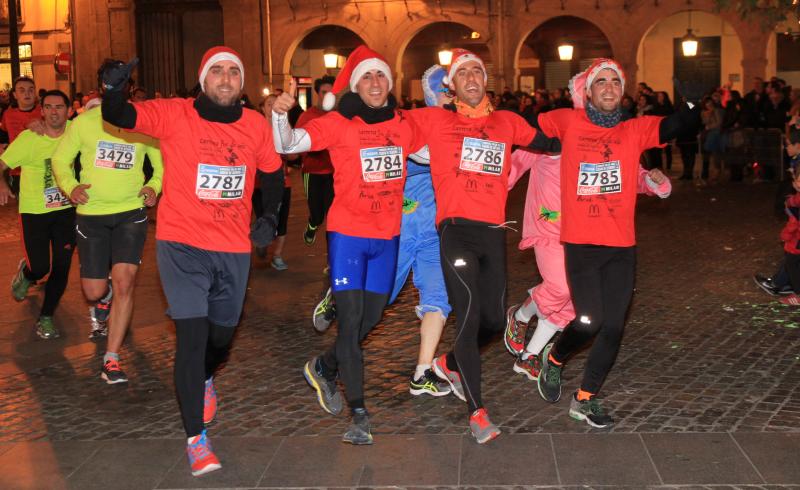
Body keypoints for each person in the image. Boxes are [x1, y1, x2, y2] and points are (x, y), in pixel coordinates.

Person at [100, 47, 284, 476]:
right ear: (204, 79)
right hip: (181, 244)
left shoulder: (254, 125)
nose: (226, 78)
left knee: (221, 338)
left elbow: (274, 173)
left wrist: (270, 217)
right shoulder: (174, 113)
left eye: (234, 71)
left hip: (232, 247)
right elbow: (120, 116)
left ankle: (204, 377)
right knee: (192, 337)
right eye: (217, 71)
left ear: (241, 82)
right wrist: (112, 89)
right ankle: (196, 438)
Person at [532, 58, 698, 428]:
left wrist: (690, 102)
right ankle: (555, 357)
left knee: (613, 327)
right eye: (601, 82)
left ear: (622, 91)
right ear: (588, 91)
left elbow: (678, 124)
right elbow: (527, 127)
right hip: (581, 244)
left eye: (615, 82)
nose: (609, 87)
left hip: (621, 245)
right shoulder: (568, 121)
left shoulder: (634, 129)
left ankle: (585, 398)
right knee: (589, 321)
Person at [272, 45, 425, 445]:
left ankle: (324, 366)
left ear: (390, 83)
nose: (375, 83)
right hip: (348, 236)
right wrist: (279, 114)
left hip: (387, 237)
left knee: (371, 318)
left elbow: (435, 152)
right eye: (367, 76)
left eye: (381, 76)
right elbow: (289, 144)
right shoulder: (339, 123)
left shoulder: (404, 124)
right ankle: (359, 414)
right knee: (352, 321)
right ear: (356, 84)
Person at [407, 49, 558, 444]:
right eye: (463, 73)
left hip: (493, 233)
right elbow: (383, 126)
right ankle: (477, 412)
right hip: (456, 232)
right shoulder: (436, 120)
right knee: (470, 316)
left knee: (493, 321)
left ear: (485, 80)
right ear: (451, 85)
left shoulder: (507, 121)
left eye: (477, 71)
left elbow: (551, 141)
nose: (471, 78)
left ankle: (450, 362)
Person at [504, 147, 671, 380]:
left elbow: (628, 175)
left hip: (586, 234)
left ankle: (529, 356)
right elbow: (509, 168)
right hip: (549, 225)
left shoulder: (605, 145)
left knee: (577, 299)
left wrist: (652, 181)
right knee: (560, 287)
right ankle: (520, 316)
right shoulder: (551, 139)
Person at [51, 62, 163, 372]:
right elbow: (60, 159)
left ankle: (111, 356)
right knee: (94, 291)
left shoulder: (142, 122)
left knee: (126, 282)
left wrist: (153, 186)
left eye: (122, 80)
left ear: (129, 86)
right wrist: (71, 187)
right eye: (110, 80)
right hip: (92, 215)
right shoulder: (84, 123)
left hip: (131, 213)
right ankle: (105, 295)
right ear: (102, 85)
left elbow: (161, 163)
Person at [0, 90, 76, 339]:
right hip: (35, 211)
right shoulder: (30, 138)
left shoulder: (77, 132)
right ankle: (27, 273)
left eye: (59, 107)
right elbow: (2, 164)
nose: (54, 112)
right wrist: (2, 183)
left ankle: (46, 317)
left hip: (66, 210)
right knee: (40, 267)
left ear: (69, 111)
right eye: (49, 107)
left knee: (62, 265)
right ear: (41, 111)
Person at [297, 76, 336, 246]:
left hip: (334, 173)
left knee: (333, 216)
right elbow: (295, 142)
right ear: (317, 94)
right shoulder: (307, 116)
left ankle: (332, 255)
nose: (327, 96)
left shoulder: (338, 116)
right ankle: (312, 225)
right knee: (318, 215)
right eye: (324, 92)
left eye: (331, 93)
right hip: (312, 172)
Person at [2, 77, 41, 195]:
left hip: (40, 168)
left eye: (31, 90)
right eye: (22, 90)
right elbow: (3, 133)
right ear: (15, 94)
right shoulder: (8, 114)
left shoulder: (44, 112)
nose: (27, 93)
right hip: (17, 170)